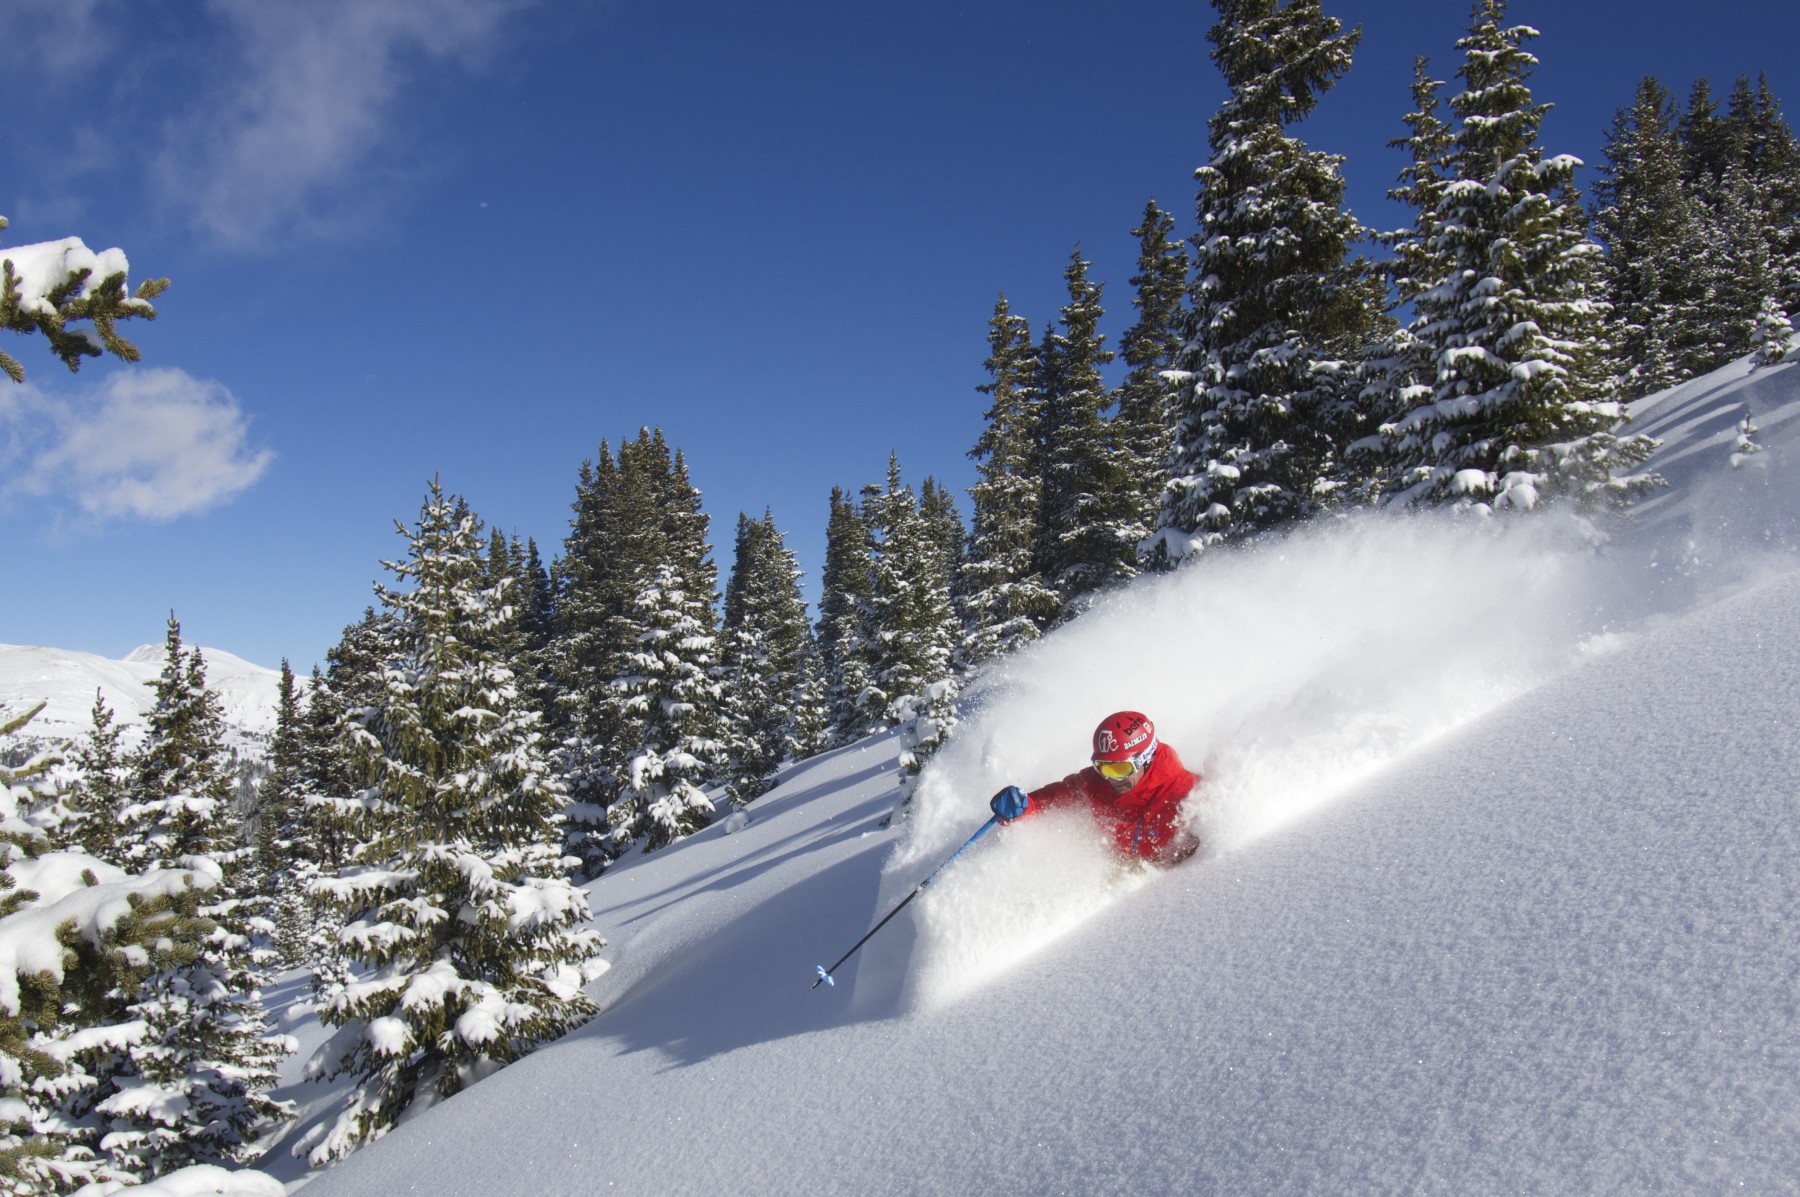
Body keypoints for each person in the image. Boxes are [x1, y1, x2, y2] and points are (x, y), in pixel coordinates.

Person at [989, 711, 1201, 867]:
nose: (1110, 778)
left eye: (1120, 769)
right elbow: (1055, 797)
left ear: (1145, 759)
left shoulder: (1187, 796)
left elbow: (1210, 850)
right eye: (1102, 766)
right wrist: (1025, 806)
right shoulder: (1097, 784)